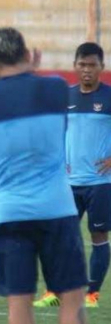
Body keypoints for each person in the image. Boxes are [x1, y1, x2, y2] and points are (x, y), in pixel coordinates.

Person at [0, 28, 88, 324]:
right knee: (71, 299)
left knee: (19, 305)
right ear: (28, 55)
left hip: (8, 213)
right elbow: (43, 101)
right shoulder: (54, 89)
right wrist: (30, 73)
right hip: (58, 209)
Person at [34, 42, 110, 309]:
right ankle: (52, 291)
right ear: (75, 66)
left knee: (98, 236)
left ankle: (91, 294)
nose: (87, 70)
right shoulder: (64, 98)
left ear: (102, 67)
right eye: (82, 65)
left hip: (101, 183)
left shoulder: (109, 98)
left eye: (92, 65)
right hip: (67, 183)